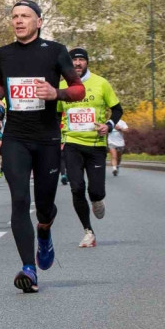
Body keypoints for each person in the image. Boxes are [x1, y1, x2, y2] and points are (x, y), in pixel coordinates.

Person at [0, 0, 84, 293]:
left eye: (25, 16)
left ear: (38, 22)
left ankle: (45, 231)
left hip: (47, 138)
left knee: (44, 206)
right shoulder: (2, 54)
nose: (19, 21)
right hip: (15, 137)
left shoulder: (55, 51)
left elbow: (79, 90)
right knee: (19, 201)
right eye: (15, 16)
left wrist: (56, 93)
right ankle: (28, 269)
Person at [58, 48, 123, 248]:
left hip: (95, 145)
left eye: (81, 60)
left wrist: (109, 125)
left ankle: (97, 199)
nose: (77, 63)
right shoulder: (62, 86)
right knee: (77, 188)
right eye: (74, 60)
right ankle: (88, 231)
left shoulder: (101, 83)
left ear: (86, 62)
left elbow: (117, 109)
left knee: (96, 191)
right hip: (72, 143)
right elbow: (54, 115)